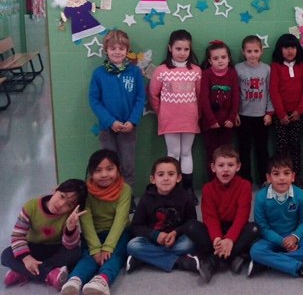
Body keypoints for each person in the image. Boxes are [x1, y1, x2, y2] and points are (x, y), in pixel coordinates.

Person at [126, 157, 212, 279]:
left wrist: (176, 233)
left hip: (176, 241)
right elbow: (136, 226)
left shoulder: (185, 197)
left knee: (190, 244)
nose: (166, 178)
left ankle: (145, 258)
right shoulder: (146, 198)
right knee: (132, 245)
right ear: (153, 179)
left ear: (178, 178)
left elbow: (191, 223)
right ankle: (179, 261)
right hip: (152, 240)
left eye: (171, 174)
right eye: (161, 174)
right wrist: (155, 235)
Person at [60, 150, 132, 295]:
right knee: (88, 256)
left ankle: (102, 280)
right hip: (94, 234)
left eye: (109, 169)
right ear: (91, 173)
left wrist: (108, 247)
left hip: (119, 233)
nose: (104, 174)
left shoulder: (125, 189)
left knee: (115, 256)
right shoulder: (86, 192)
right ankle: (74, 280)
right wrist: (95, 248)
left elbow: (120, 220)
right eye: (98, 170)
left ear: (118, 169)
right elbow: (86, 222)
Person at [248, 154, 303, 282]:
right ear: (269, 178)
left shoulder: (299, 195)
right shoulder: (261, 197)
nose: (282, 178)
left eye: (286, 173)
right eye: (276, 174)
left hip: (293, 238)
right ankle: (300, 268)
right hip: (271, 238)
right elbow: (262, 227)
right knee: (255, 251)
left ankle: (268, 262)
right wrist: (281, 241)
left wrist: (294, 237)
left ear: (292, 177)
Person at [2, 179, 87, 290]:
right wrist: (26, 258)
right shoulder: (31, 206)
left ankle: (23, 271)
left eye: (69, 205)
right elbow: (18, 236)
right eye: (62, 196)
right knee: (6, 255)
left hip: (55, 249)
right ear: (55, 189)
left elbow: (69, 246)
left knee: (75, 253)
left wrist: (70, 228)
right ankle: (48, 274)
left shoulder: (69, 216)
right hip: (32, 248)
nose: (61, 204)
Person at [88, 30, 146, 191]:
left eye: (121, 48)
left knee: (127, 163)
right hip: (107, 128)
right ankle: (110, 195)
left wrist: (132, 121)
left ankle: (127, 196)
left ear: (127, 50)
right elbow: (94, 101)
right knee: (108, 164)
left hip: (128, 127)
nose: (117, 52)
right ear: (106, 50)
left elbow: (140, 98)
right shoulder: (99, 74)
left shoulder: (134, 72)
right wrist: (110, 121)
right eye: (113, 48)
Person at [148, 30, 201, 204]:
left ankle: (188, 189)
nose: (182, 53)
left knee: (186, 152)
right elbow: (153, 95)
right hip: (169, 119)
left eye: (186, 49)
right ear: (170, 48)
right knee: (173, 153)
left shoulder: (196, 71)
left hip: (190, 118)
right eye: (178, 48)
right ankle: (172, 189)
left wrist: (196, 113)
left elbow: (199, 94)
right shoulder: (161, 71)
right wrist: (162, 112)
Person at [201, 146, 259, 278]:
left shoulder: (245, 185)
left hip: (236, 228)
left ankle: (214, 260)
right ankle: (233, 256)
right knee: (191, 227)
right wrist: (217, 238)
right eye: (221, 165)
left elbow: (242, 216)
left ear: (238, 167)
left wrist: (230, 239)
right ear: (213, 167)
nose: (226, 169)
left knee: (254, 229)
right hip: (217, 228)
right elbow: (210, 217)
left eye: (230, 165)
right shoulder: (207, 189)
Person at [270, 34, 303, 189]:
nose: (289, 51)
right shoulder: (276, 66)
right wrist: (281, 114)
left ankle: (296, 176)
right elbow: (274, 91)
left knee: (295, 146)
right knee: (282, 147)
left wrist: (299, 111)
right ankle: (281, 176)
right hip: (280, 115)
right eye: (286, 48)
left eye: (292, 47)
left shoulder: (302, 66)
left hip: (297, 115)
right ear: (280, 50)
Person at [235, 35, 273, 186]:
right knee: (244, 150)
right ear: (243, 52)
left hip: (261, 116)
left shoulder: (266, 69)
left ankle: (264, 179)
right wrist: (235, 113)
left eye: (256, 51)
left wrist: (269, 112)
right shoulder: (238, 69)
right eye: (249, 51)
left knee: (262, 149)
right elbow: (235, 93)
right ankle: (246, 181)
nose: (252, 54)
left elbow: (269, 92)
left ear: (261, 51)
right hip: (243, 115)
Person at [199, 40, 240, 180]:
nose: (220, 61)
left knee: (227, 154)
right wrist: (211, 120)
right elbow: (204, 99)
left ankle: (227, 181)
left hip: (227, 123)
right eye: (216, 58)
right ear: (210, 61)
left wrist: (231, 118)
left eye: (223, 57)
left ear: (229, 58)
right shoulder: (206, 74)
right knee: (212, 153)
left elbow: (236, 97)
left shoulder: (232, 73)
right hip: (210, 123)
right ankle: (213, 182)